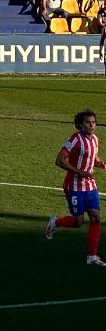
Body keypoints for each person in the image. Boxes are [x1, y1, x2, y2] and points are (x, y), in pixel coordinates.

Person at [45, 110, 106, 266]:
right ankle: (55, 223)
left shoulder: (95, 140)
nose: (92, 125)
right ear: (80, 124)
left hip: (90, 186)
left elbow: (94, 156)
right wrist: (81, 172)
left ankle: (92, 256)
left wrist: (99, 163)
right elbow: (59, 160)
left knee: (96, 217)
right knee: (78, 222)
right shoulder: (75, 139)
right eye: (88, 122)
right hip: (74, 186)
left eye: (93, 122)